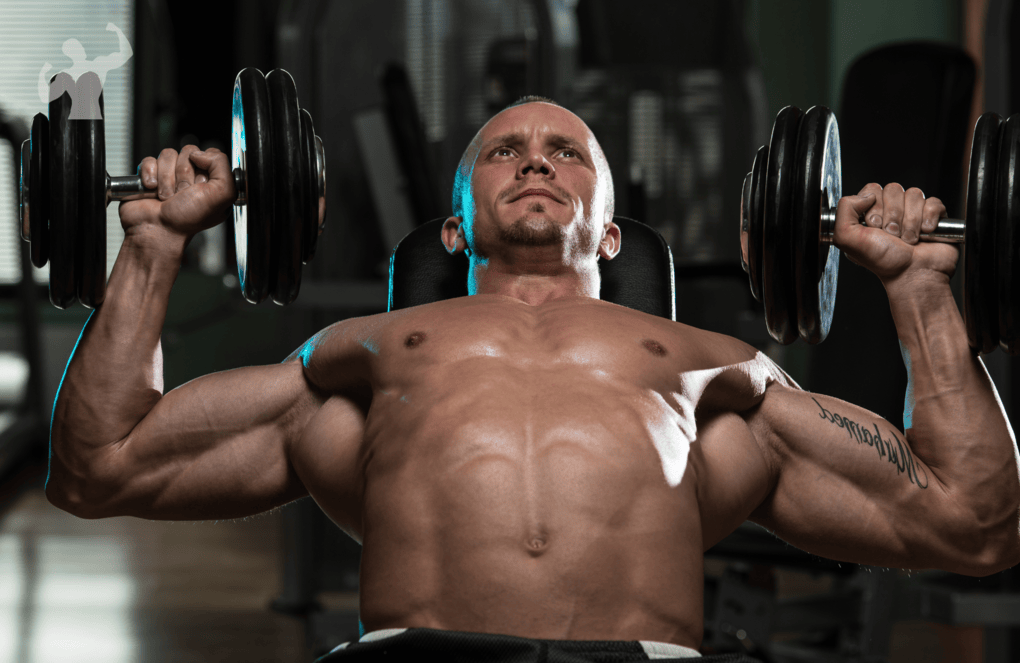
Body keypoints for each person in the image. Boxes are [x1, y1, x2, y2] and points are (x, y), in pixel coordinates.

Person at [47, 97, 1020, 662]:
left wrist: (920, 286)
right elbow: (102, 465)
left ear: (609, 231)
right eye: (505, 151)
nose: (535, 161)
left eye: (566, 152)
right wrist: (153, 245)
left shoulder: (714, 373)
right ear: (456, 227)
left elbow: (971, 525)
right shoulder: (362, 356)